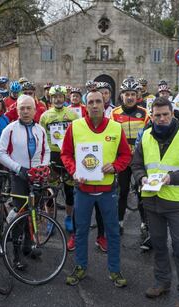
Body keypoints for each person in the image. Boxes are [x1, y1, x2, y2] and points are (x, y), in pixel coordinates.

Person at [131, 96, 179, 307]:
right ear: (151, 116)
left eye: (165, 114)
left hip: (175, 202)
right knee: (159, 245)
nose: (161, 119)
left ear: (172, 114)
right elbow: (136, 165)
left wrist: (172, 178)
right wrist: (141, 177)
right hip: (151, 201)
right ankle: (162, 282)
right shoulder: (145, 136)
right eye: (157, 115)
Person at [61, 90, 132, 287]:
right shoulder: (75, 126)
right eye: (90, 102)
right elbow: (65, 153)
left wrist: (116, 166)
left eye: (98, 101)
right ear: (85, 104)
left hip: (107, 190)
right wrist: (74, 170)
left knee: (112, 231)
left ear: (104, 103)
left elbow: (126, 155)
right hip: (83, 190)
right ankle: (80, 267)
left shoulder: (116, 128)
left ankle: (115, 270)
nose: (94, 105)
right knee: (81, 231)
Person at [0, 94, 50, 268]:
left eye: (29, 108)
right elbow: (1, 153)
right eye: (22, 108)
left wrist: (43, 167)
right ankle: (16, 254)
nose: (26, 111)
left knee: (33, 211)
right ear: (17, 110)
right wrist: (19, 169)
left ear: (35, 110)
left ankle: (28, 246)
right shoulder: (10, 129)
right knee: (20, 213)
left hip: (36, 177)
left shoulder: (40, 129)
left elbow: (46, 150)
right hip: (18, 176)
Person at [39, 85, 79, 245]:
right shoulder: (45, 116)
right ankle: (50, 219)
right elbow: (41, 138)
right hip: (52, 156)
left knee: (69, 191)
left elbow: (78, 134)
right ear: (50, 98)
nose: (57, 99)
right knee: (50, 191)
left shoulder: (73, 114)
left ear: (65, 97)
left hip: (69, 155)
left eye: (60, 97)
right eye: (54, 97)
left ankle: (69, 218)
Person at [111, 79, 149, 236]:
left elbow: (148, 136)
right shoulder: (114, 113)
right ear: (121, 95)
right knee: (123, 191)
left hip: (140, 160)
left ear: (137, 96)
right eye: (127, 94)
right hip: (123, 160)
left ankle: (144, 222)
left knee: (142, 192)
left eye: (133, 94)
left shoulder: (144, 113)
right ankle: (119, 221)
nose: (130, 97)